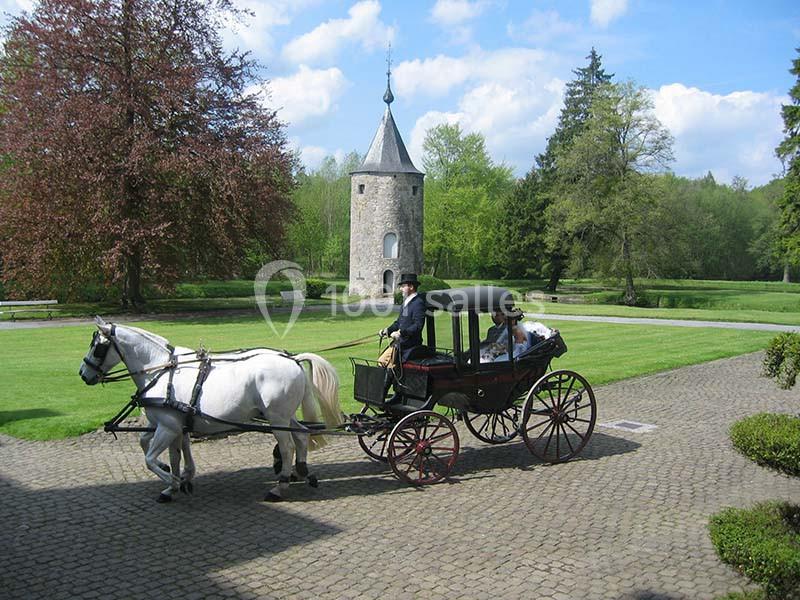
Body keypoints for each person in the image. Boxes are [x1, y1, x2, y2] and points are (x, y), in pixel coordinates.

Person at [377, 273, 426, 367]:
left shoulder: (418, 303)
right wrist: (387, 330)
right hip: (401, 343)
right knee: (383, 362)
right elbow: (399, 322)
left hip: (410, 345)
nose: (400, 289)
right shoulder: (406, 303)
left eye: (403, 286)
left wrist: (401, 333)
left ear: (411, 287)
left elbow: (418, 325)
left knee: (383, 361)